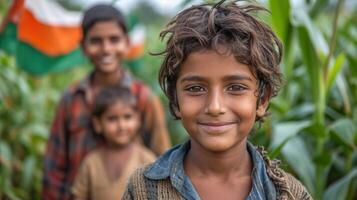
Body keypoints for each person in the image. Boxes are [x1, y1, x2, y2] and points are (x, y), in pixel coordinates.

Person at [123, 0, 313, 199]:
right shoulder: (143, 189)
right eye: (195, 88)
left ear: (262, 100)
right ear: (175, 98)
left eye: (236, 88)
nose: (215, 107)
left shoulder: (288, 194)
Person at [42, 4, 171, 200]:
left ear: (126, 43)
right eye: (96, 41)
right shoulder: (71, 99)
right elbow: (55, 167)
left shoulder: (143, 97)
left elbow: (163, 160)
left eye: (114, 39)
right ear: (83, 46)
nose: (106, 49)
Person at [71, 86, 156, 200]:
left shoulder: (147, 160)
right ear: (98, 124)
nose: (121, 126)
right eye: (112, 119)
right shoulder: (91, 164)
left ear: (138, 120)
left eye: (127, 117)